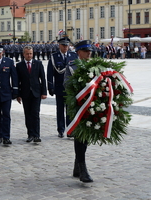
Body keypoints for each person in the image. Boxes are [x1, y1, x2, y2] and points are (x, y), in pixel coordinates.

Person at [64, 40, 94, 183]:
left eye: (90, 51)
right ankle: (83, 170)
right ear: (78, 53)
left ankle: (77, 165)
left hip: (92, 107)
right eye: (85, 51)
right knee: (79, 137)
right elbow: (67, 86)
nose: (89, 53)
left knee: (86, 137)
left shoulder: (96, 66)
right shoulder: (71, 67)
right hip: (78, 107)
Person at [47, 37, 77, 138]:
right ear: (59, 45)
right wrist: (50, 86)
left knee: (70, 110)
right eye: (63, 45)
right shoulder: (54, 57)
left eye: (67, 45)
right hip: (59, 87)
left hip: (70, 88)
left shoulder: (73, 56)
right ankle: (61, 129)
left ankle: (70, 130)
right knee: (60, 110)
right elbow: (50, 72)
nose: (65, 47)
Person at [16, 46, 47, 143]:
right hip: (25, 93)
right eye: (27, 54)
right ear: (23, 54)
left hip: (36, 93)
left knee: (35, 114)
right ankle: (30, 134)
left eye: (30, 53)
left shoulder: (38, 63)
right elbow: (17, 81)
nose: (29, 55)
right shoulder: (19, 65)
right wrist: (17, 94)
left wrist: (44, 92)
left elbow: (43, 78)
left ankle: (36, 135)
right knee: (28, 114)